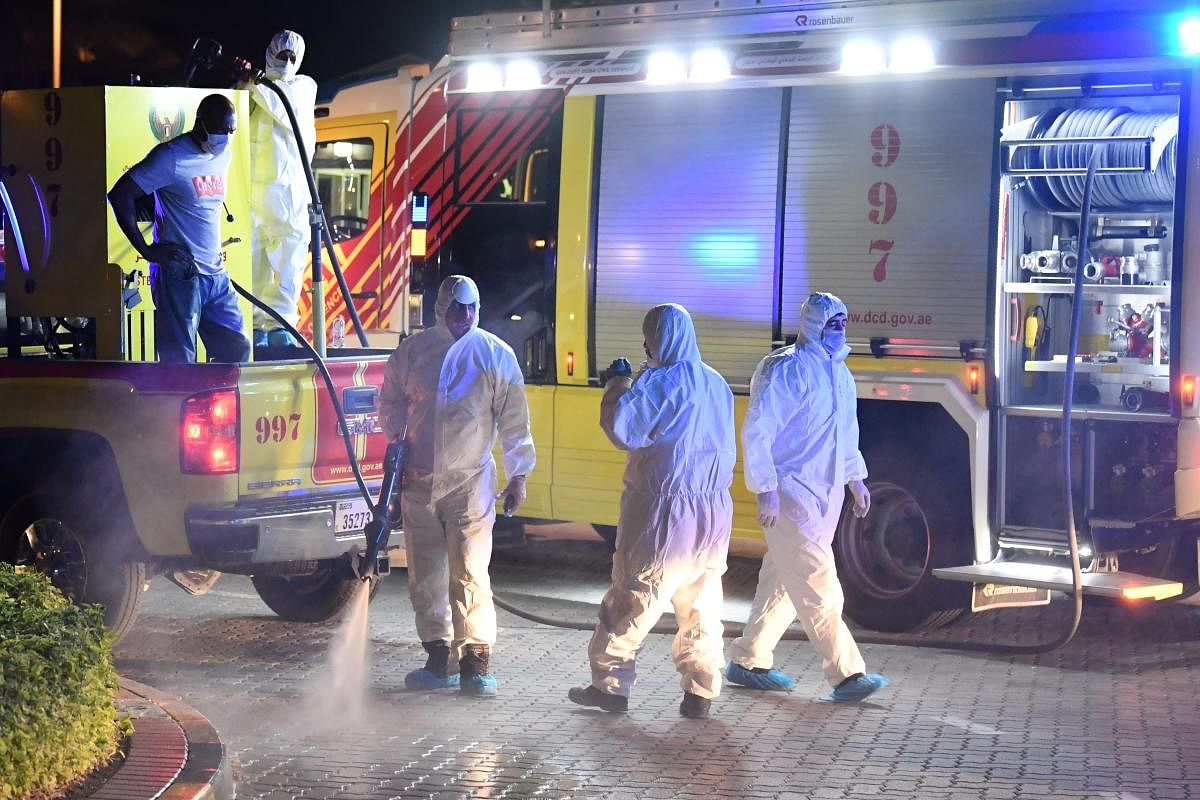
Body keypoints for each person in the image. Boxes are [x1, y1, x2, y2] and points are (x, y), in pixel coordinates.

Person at [568, 303, 735, 720]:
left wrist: (618, 384)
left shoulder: (661, 382)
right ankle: (700, 691)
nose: (646, 347)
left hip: (665, 509)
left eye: (648, 339)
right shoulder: (716, 383)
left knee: (633, 596)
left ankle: (610, 686)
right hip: (712, 510)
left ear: (658, 338)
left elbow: (623, 428)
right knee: (701, 604)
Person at [725, 292, 889, 703]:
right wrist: (766, 491)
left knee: (783, 580)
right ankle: (846, 673)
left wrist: (856, 480)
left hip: (826, 492)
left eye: (843, 323)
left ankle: (749, 659)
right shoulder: (786, 369)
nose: (839, 331)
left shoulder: (840, 374)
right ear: (813, 325)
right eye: (832, 323)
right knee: (819, 583)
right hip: (790, 491)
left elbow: (845, 433)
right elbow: (758, 431)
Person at [379, 275, 534, 697]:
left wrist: (519, 475)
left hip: (470, 484)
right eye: (456, 308)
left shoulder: (494, 355)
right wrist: (399, 438)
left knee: (469, 572)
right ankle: (438, 654)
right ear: (440, 309)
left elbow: (515, 423)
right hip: (418, 483)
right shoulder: (413, 352)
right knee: (425, 575)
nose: (464, 316)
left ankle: (475, 661)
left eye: (471, 308)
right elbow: (388, 400)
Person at [109, 94, 250, 364]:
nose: (226, 137)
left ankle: (213, 403)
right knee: (179, 361)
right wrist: (147, 251)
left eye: (231, 131)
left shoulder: (224, 154)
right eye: (221, 130)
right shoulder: (171, 157)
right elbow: (121, 194)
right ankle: (175, 406)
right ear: (201, 125)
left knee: (237, 351)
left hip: (216, 273)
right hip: (181, 272)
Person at [245, 30, 317, 349]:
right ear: (269, 54)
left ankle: (282, 326)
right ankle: (257, 328)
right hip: (256, 197)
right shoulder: (252, 91)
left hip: (292, 196)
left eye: (292, 58)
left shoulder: (303, 87)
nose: (286, 63)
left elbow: (281, 103)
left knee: (288, 268)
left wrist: (252, 81)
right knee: (256, 267)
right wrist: (243, 82)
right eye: (281, 56)